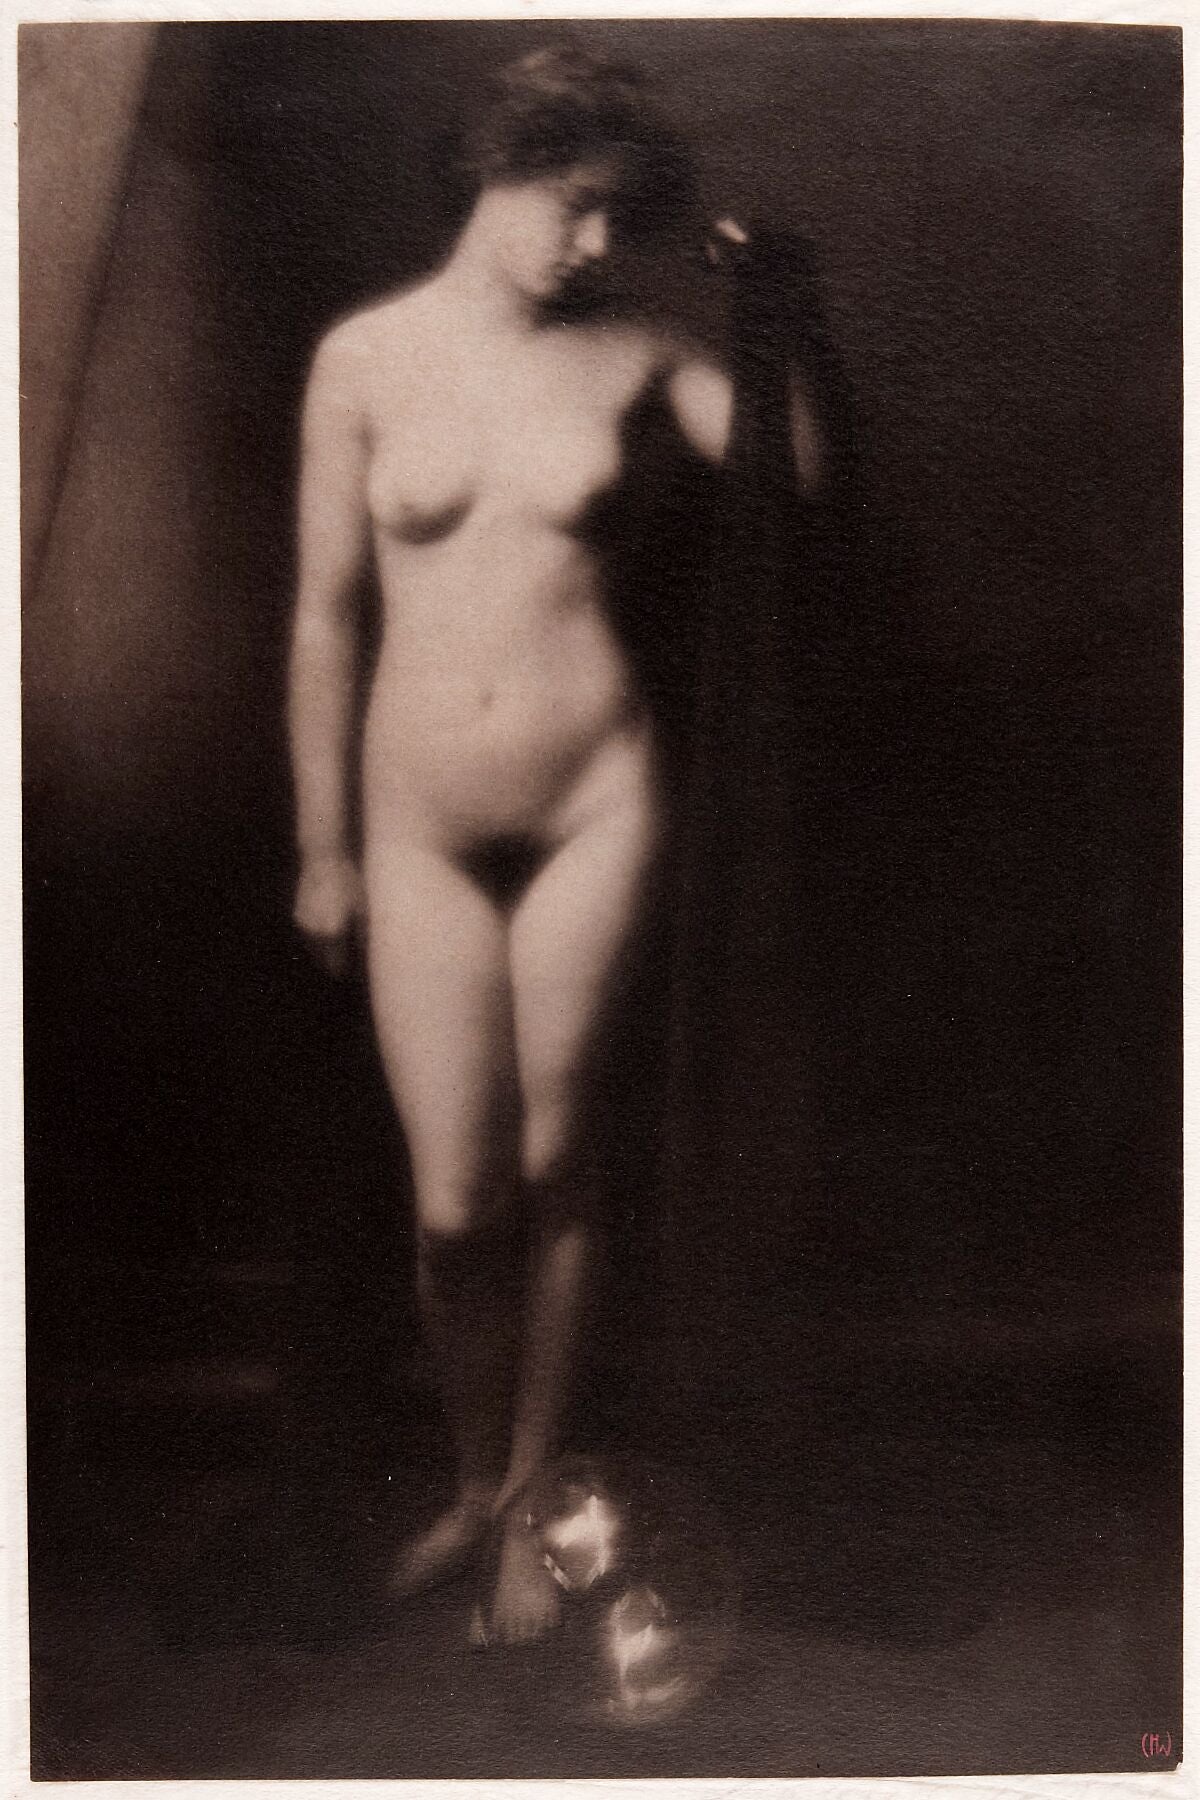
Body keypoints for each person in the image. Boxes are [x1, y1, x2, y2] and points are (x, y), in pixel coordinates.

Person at [287, 44, 825, 1645]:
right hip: (418, 817)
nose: (594, 246)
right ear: (499, 168)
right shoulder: (364, 358)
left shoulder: (637, 354)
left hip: (598, 793)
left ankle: (534, 1500)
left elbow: (797, 470)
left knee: (554, 1162)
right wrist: (323, 846)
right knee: (458, 1201)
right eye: (573, 206)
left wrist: (775, 310)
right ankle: (471, 1485)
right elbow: (323, 620)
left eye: (617, 221)